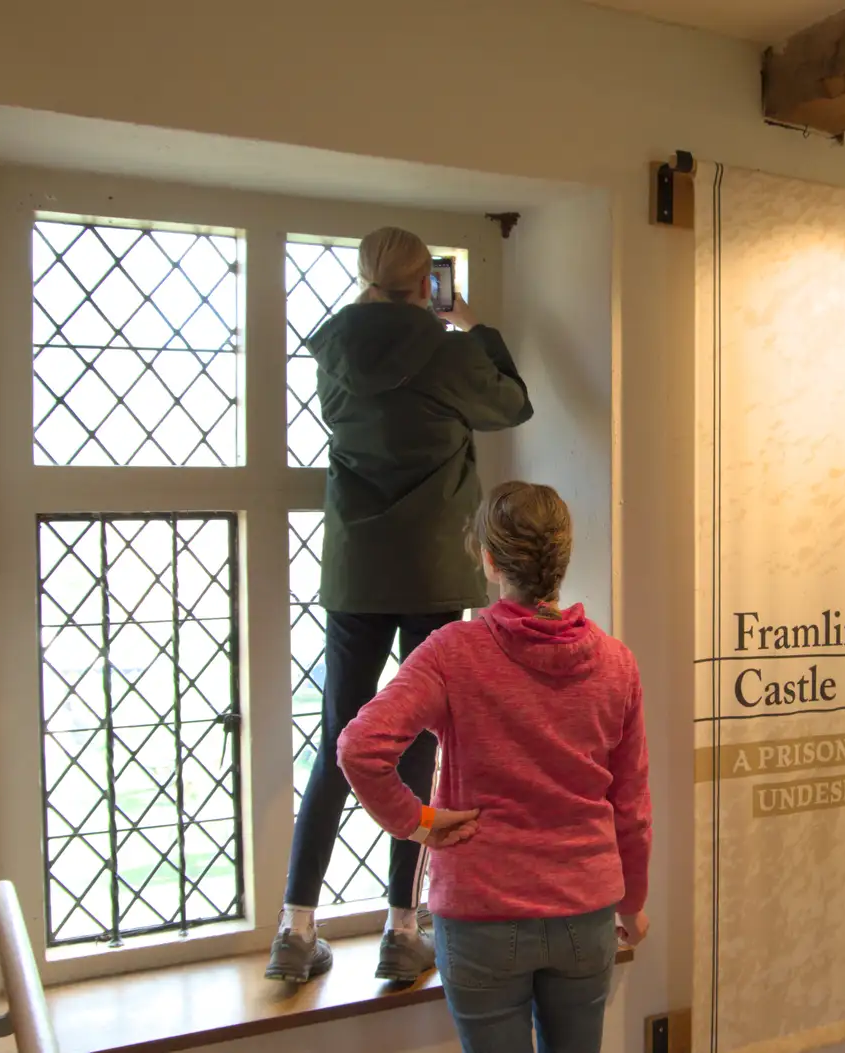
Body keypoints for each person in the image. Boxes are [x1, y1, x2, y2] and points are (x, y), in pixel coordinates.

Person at [267, 228, 534, 985]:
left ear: (365, 280)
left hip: (355, 567)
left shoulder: (332, 351)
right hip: (429, 568)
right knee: (415, 739)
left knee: (339, 740)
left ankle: (295, 930)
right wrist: (472, 324)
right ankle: (402, 928)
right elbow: (513, 404)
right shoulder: (447, 351)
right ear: (428, 284)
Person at [338, 482, 652, 1053]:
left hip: (481, 910)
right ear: (562, 557)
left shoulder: (452, 654)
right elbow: (631, 808)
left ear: (489, 560)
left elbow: (361, 747)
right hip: (585, 909)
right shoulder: (616, 664)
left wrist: (419, 822)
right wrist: (633, 901)